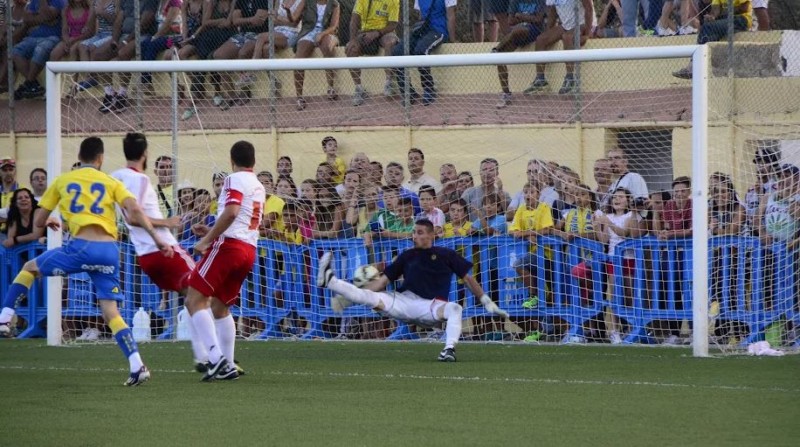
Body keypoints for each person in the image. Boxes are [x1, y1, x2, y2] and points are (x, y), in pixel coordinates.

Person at [0, 137, 173, 386]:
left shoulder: (62, 180)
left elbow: (38, 222)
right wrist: (158, 240)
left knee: (30, 268)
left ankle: (5, 319)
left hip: (81, 247)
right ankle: (137, 365)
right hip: (109, 252)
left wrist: (48, 220)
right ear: (100, 159)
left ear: (80, 157)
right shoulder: (110, 181)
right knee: (110, 311)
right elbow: (134, 211)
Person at [316, 218, 509, 362]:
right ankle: (331, 281)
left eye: (419, 232)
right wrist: (361, 292)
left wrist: (486, 301)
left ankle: (448, 350)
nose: (415, 235)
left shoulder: (447, 254)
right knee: (369, 296)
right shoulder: (406, 256)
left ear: (431, 235)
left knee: (455, 309)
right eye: (414, 232)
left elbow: (468, 278)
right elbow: (381, 283)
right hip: (403, 302)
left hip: (431, 307)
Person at [110, 132, 219, 372]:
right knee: (202, 293)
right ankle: (213, 356)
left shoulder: (115, 177)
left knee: (193, 297)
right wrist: (166, 224)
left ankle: (204, 357)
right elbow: (133, 217)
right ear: (146, 154)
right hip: (163, 249)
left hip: (146, 257)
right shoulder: (140, 181)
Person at [185, 140, 265, 381]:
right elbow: (237, 216)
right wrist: (209, 231)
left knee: (193, 300)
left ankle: (214, 357)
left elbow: (231, 212)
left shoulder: (234, 179)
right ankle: (228, 364)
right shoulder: (258, 184)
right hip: (248, 249)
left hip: (229, 246)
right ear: (253, 161)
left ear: (232, 161)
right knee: (220, 307)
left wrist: (207, 239)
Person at [390, 0, 458, 106]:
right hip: (422, 31)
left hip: (438, 30)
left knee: (421, 51)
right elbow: (421, 16)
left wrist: (453, 40)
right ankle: (408, 92)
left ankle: (429, 88)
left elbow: (451, 15)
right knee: (397, 52)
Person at [521, 0, 593, 96]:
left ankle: (570, 78)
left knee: (567, 37)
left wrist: (587, 32)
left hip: (582, 23)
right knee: (541, 40)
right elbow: (552, 13)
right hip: (565, 26)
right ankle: (540, 80)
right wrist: (548, 33)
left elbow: (589, 9)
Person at [672, 0, 752, 79]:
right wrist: (712, 16)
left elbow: (744, 8)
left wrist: (723, 12)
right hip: (726, 19)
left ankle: (695, 66)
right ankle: (700, 65)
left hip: (741, 19)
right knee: (706, 26)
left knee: (708, 28)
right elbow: (715, 10)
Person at [284, 0, 341, 111]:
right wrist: (288, 11)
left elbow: (334, 26)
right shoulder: (306, 1)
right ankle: (299, 97)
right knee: (298, 60)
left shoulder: (334, 4)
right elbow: (293, 19)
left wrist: (322, 34)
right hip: (308, 32)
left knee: (327, 46)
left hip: (326, 32)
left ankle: (331, 87)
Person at [492, 0, 546, 108]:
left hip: (534, 31)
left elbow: (539, 20)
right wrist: (528, 18)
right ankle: (506, 93)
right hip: (516, 33)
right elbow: (511, 20)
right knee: (500, 58)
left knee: (519, 30)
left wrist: (520, 16)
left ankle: (496, 49)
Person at [346, 0, 399, 106]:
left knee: (390, 42)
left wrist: (376, 33)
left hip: (384, 32)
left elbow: (393, 24)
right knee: (351, 48)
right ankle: (358, 89)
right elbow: (354, 19)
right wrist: (353, 40)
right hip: (365, 32)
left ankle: (389, 82)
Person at [11, 0, 65, 100]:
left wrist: (39, 15)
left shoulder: (60, 1)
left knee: (40, 50)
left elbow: (48, 15)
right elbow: (27, 19)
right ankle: (32, 84)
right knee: (15, 52)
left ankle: (29, 84)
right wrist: (44, 18)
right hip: (33, 37)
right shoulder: (34, 1)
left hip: (52, 37)